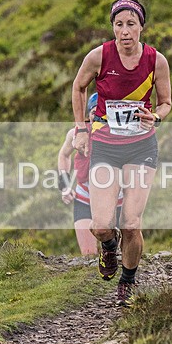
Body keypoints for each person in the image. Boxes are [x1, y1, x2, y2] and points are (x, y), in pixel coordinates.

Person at [70, 0, 172, 306]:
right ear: (113, 27)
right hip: (105, 147)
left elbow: (166, 102)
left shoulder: (157, 61)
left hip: (141, 147)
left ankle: (127, 283)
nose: (125, 31)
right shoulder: (99, 56)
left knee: (131, 221)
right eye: (119, 25)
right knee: (101, 225)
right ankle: (109, 247)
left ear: (141, 26)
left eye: (131, 24)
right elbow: (78, 87)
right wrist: (81, 129)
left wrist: (155, 116)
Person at [57, 93, 122, 255]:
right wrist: (64, 185)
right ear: (89, 114)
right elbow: (64, 155)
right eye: (95, 111)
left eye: (103, 112)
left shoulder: (120, 133)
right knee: (88, 255)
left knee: (119, 254)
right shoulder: (77, 133)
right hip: (84, 196)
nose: (99, 116)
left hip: (116, 198)